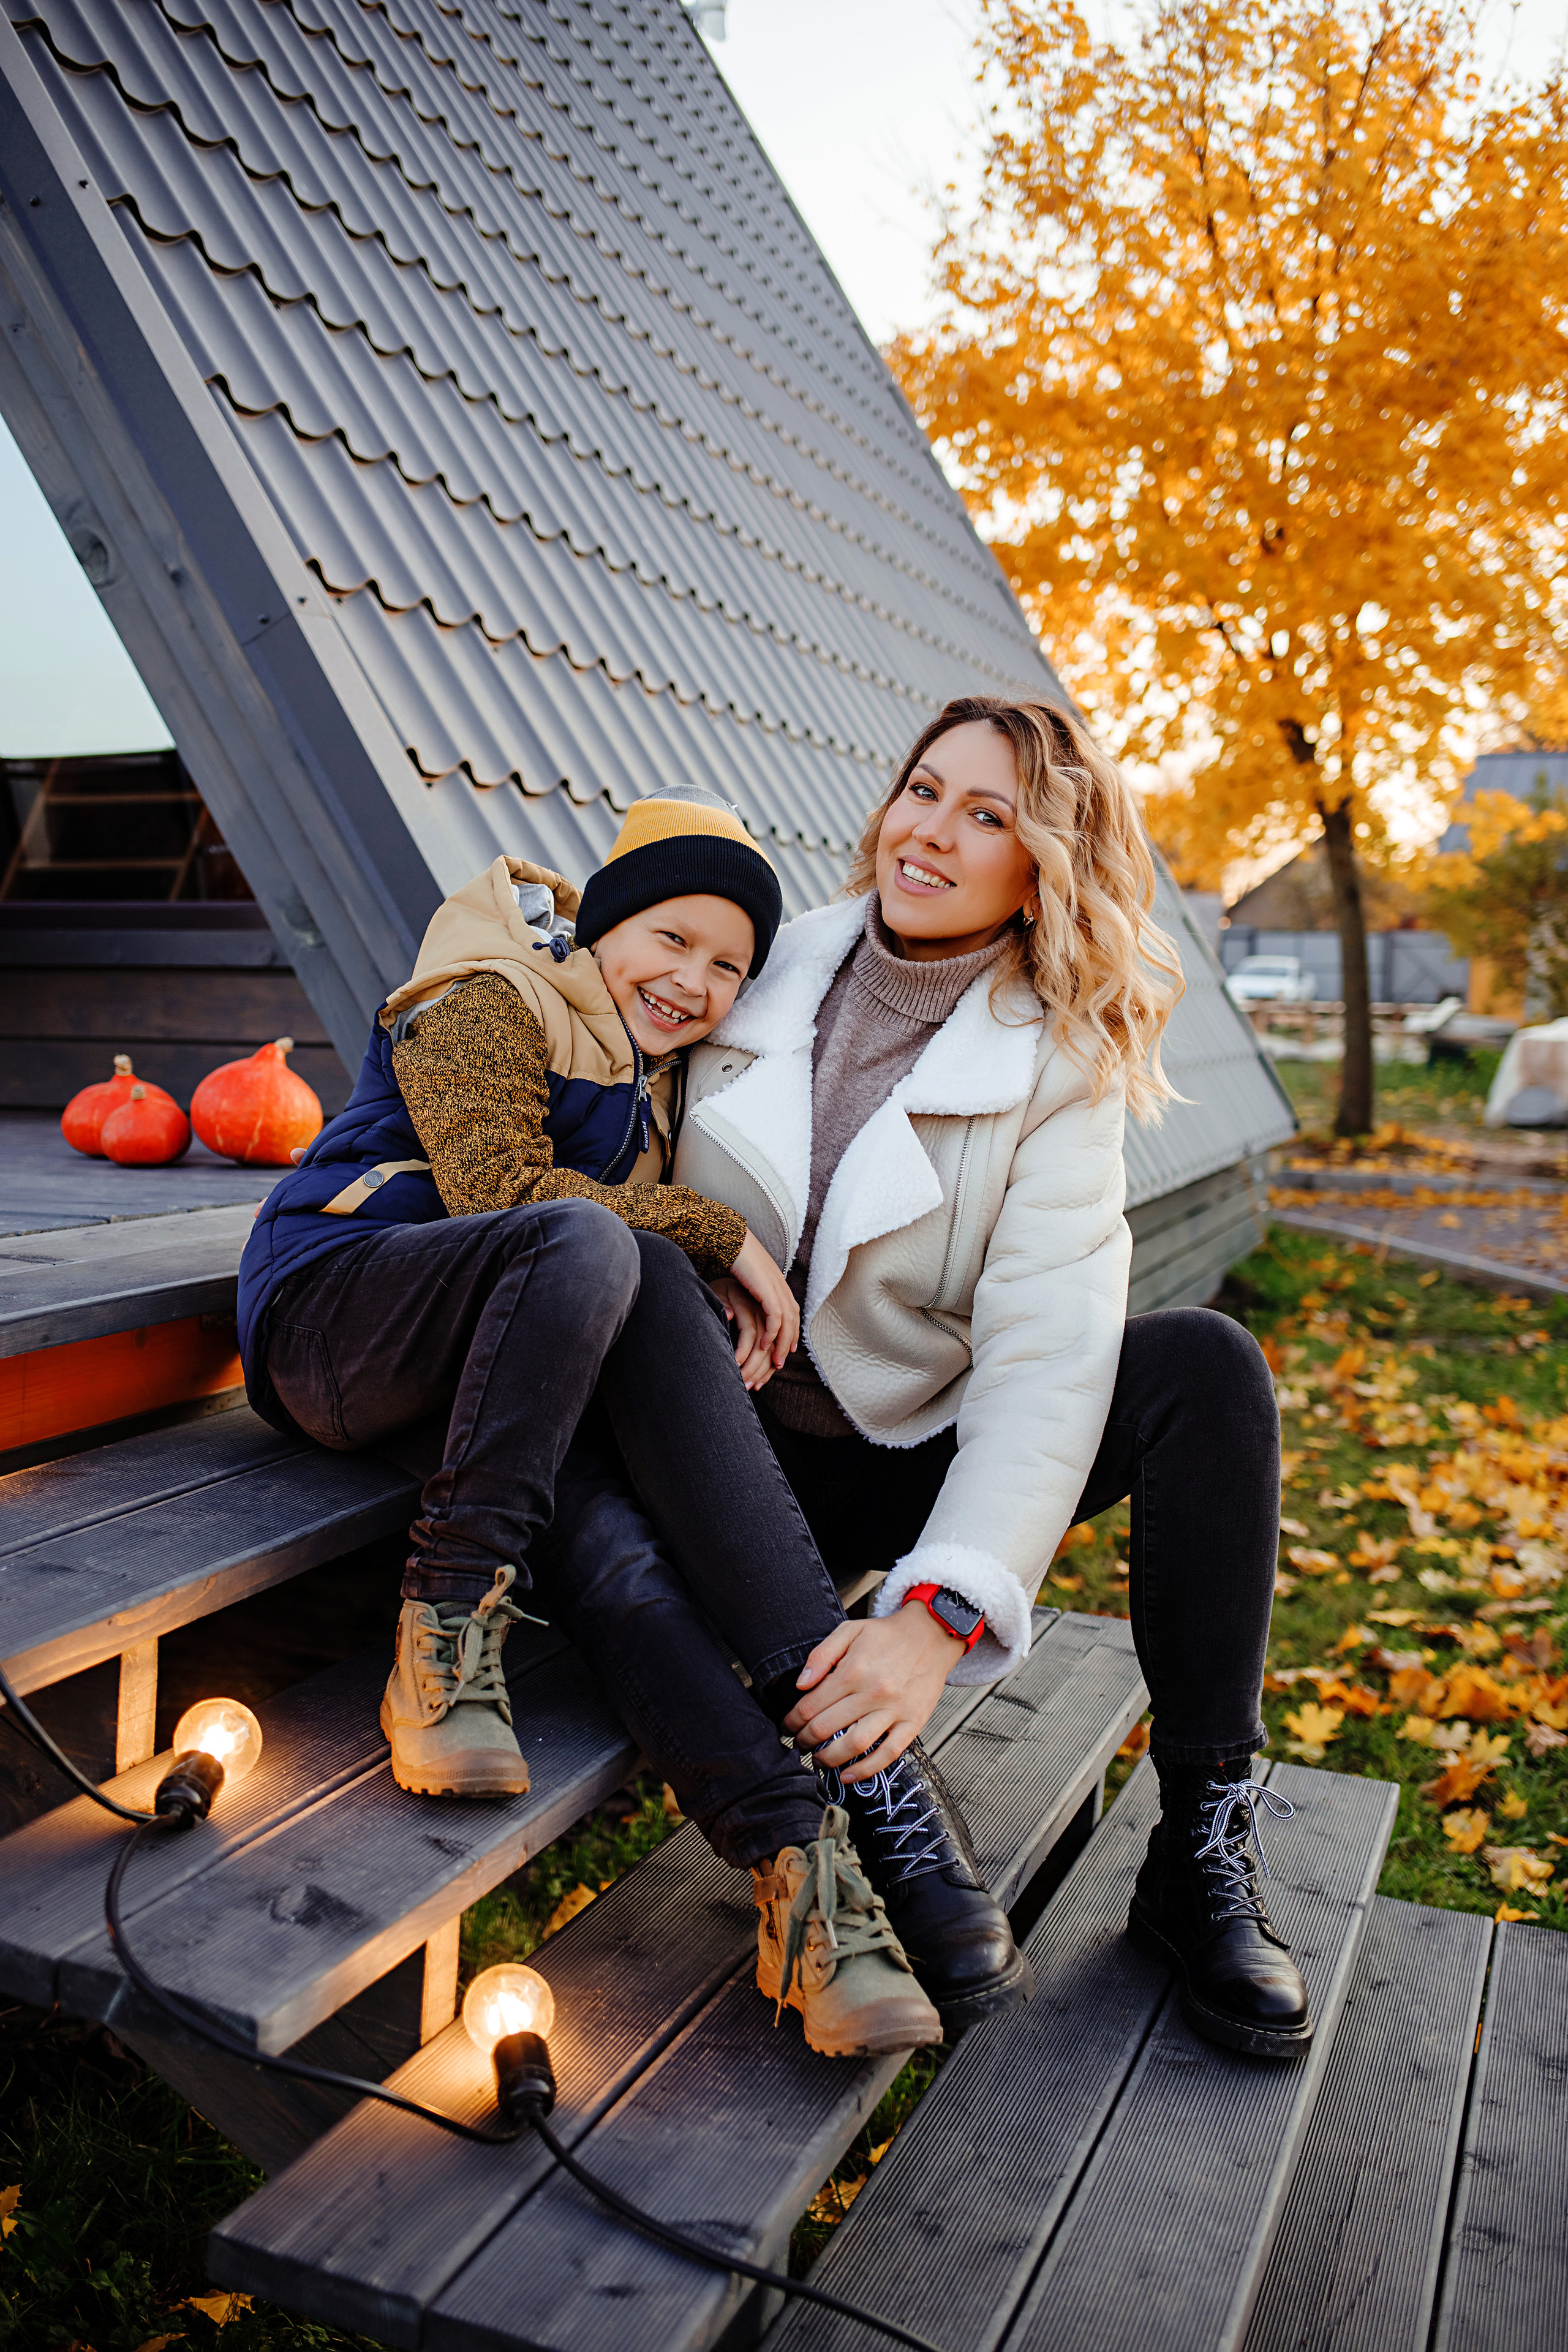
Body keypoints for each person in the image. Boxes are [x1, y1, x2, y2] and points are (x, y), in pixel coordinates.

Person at [235, 789, 1012, 2060]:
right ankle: (443, 1617)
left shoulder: (644, 1095)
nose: (694, 981)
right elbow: (499, 1196)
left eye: (728, 967)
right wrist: (711, 1234)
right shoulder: (484, 996)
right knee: (594, 1240)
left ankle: (798, 1871)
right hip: (340, 1311)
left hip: (480, 1379)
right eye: (670, 939)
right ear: (602, 926)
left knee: (619, 1555)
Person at [646, 693, 1311, 2062]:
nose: (928, 833)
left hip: (899, 1448)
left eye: (985, 815)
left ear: (1039, 867)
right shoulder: (752, 966)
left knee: (1205, 1368)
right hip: (710, 1439)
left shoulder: (1055, 1061)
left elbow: (1048, 1355)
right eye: (921, 790)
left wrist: (932, 1617)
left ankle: (1200, 1854)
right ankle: (876, 1791)